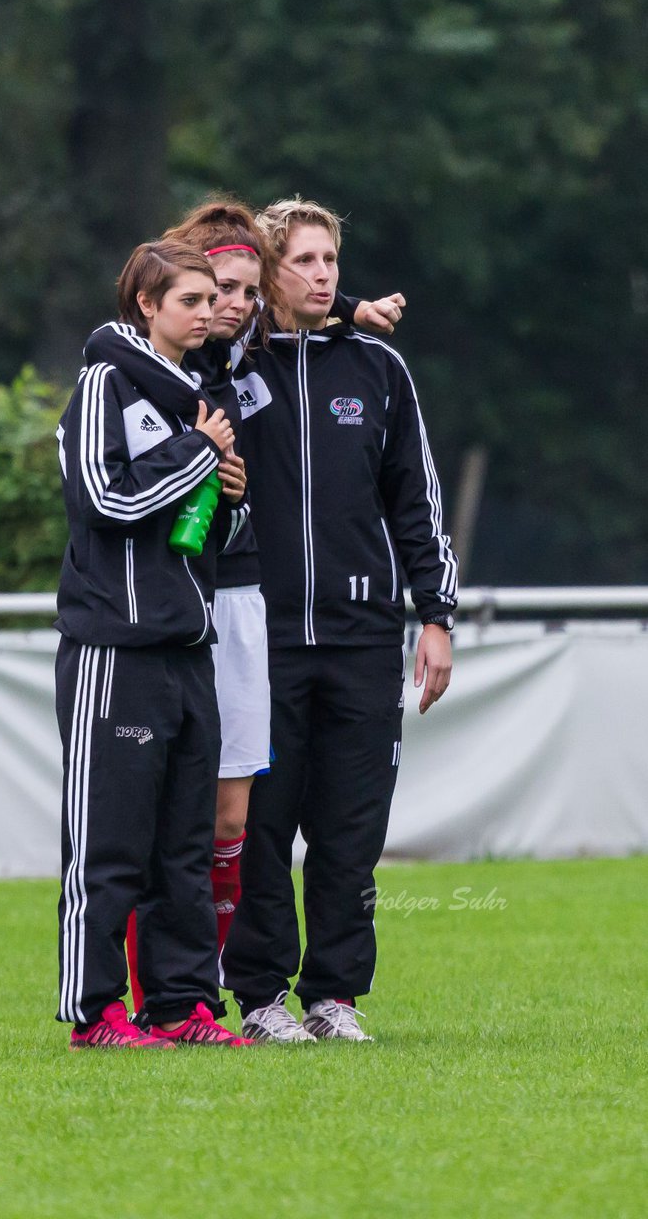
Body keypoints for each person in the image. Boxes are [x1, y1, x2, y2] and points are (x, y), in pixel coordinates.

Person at [85, 200, 406, 1027]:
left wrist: (345, 312)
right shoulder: (183, 362)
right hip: (187, 609)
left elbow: (301, 305)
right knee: (192, 821)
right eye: (212, 289)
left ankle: (228, 994)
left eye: (239, 288)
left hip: (252, 608)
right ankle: (181, 996)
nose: (227, 303)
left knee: (230, 815)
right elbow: (116, 346)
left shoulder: (333, 357)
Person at [221, 197, 458, 1042]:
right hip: (263, 635)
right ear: (267, 272)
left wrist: (435, 615)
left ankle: (334, 997)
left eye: (332, 262)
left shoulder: (380, 371)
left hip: (363, 636)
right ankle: (258, 999)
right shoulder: (227, 363)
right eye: (305, 262)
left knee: (351, 827)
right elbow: (186, 279)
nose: (324, 276)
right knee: (261, 827)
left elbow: (416, 502)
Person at [54, 237, 251, 1048]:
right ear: (147, 306)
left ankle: (179, 1004)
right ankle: (96, 1012)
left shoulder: (196, 392)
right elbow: (104, 498)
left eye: (214, 301)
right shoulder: (103, 383)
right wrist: (200, 452)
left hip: (187, 650)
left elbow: (188, 534)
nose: (209, 315)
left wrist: (229, 499)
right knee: (109, 845)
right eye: (192, 302)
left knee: (184, 848)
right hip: (116, 651)